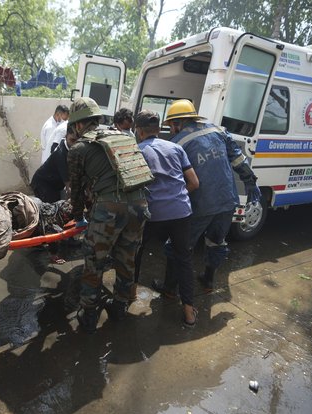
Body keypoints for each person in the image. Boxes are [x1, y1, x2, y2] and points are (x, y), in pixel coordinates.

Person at [158, 99, 261, 294]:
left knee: (179, 245)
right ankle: (208, 281)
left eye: (171, 125)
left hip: (201, 205)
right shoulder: (218, 131)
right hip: (227, 199)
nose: (171, 129)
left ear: (178, 122)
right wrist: (250, 180)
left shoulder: (178, 142)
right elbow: (239, 158)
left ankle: (170, 288)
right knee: (216, 241)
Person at [67, 97, 149, 333]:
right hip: (140, 206)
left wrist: (78, 216)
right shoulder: (124, 136)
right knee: (126, 259)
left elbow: (76, 188)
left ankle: (89, 314)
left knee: (94, 261)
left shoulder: (79, 148)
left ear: (78, 124)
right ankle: (120, 307)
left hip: (108, 209)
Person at [133, 110, 200, 328]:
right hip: (181, 212)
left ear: (140, 131)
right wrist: (176, 197)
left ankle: (130, 295)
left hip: (152, 214)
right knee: (184, 260)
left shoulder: (137, 151)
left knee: (137, 251)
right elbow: (194, 183)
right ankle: (189, 313)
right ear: (159, 129)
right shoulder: (176, 148)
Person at [31, 123, 79, 264]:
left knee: (58, 214)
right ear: (66, 137)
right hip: (43, 184)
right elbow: (69, 186)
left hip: (53, 185)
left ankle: (65, 238)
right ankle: (51, 252)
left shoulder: (75, 151)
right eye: (72, 140)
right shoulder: (61, 153)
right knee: (50, 217)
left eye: (78, 141)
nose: (75, 144)